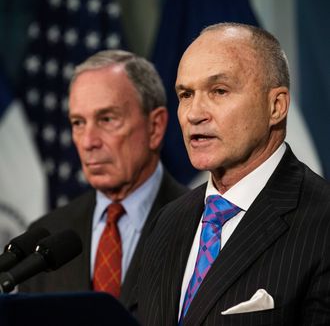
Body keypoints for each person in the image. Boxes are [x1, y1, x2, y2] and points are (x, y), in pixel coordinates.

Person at [137, 23, 330, 325]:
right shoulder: (166, 222)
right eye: (185, 94)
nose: (194, 113)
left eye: (219, 91)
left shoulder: (323, 223)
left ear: (276, 106)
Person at [18, 50, 188, 313]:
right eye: (78, 122)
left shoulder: (201, 224)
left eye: (107, 119)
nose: (88, 142)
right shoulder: (46, 237)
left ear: (155, 127)